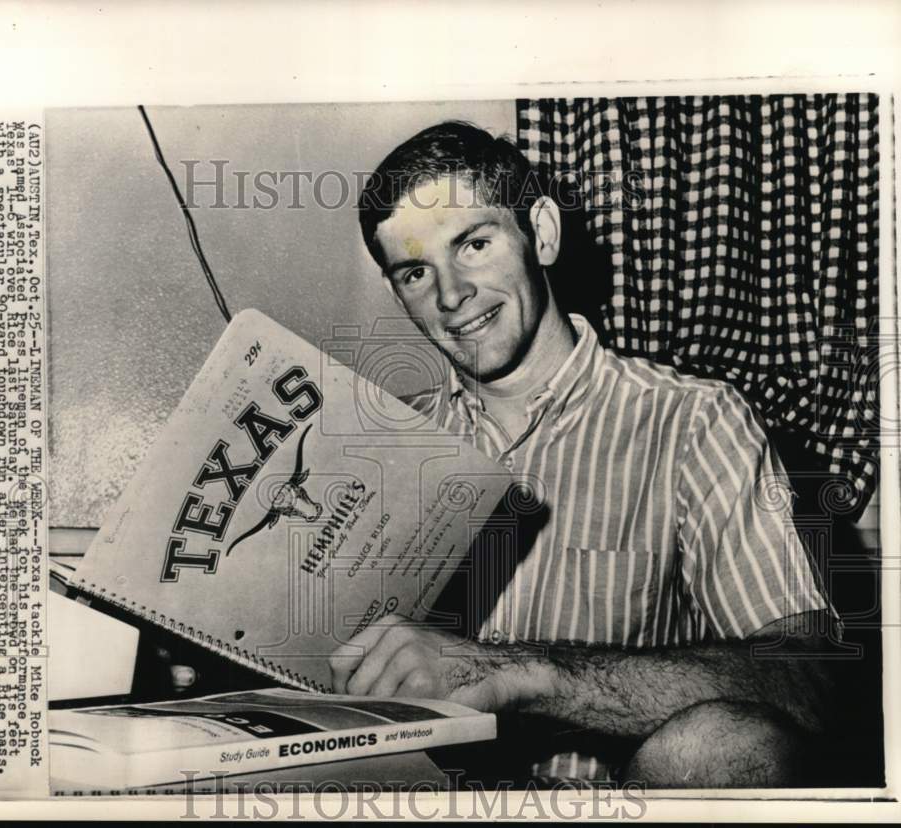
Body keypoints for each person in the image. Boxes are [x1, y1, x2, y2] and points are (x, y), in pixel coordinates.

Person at [325, 121, 840, 787]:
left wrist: (521, 673)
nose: (450, 297)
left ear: (540, 232)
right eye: (417, 272)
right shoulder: (387, 449)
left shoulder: (689, 421)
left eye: (474, 245)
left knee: (722, 744)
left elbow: (811, 679)